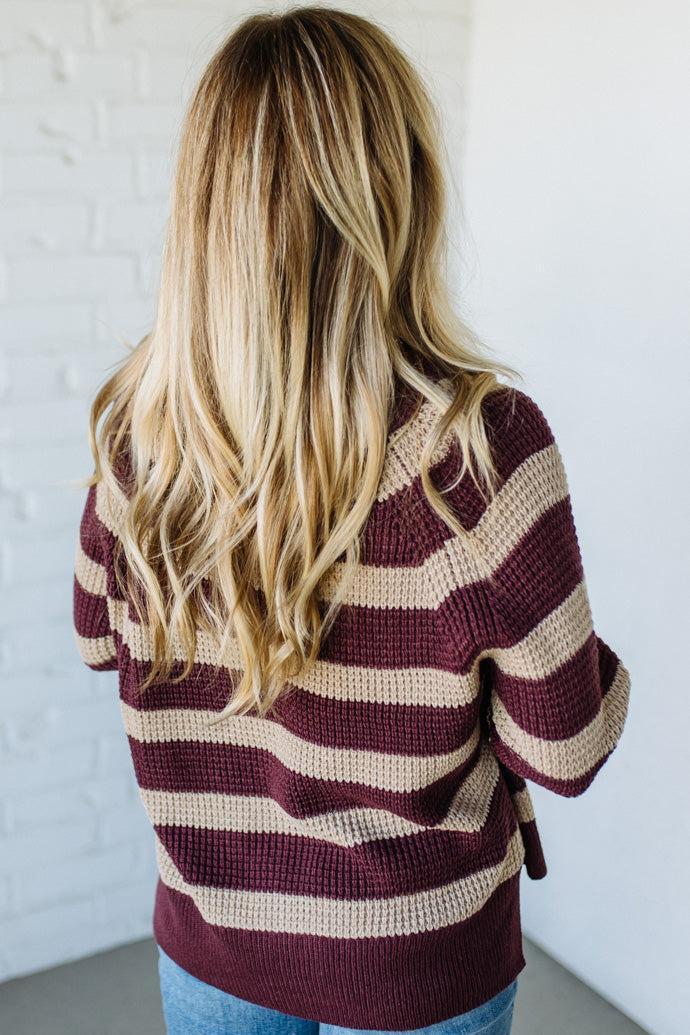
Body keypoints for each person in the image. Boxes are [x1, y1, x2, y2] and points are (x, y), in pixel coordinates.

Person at [72, 7, 631, 1034]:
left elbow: (98, 642)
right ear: (401, 192)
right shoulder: (479, 452)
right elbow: (569, 749)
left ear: (203, 208)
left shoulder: (137, 434)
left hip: (212, 946)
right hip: (419, 970)